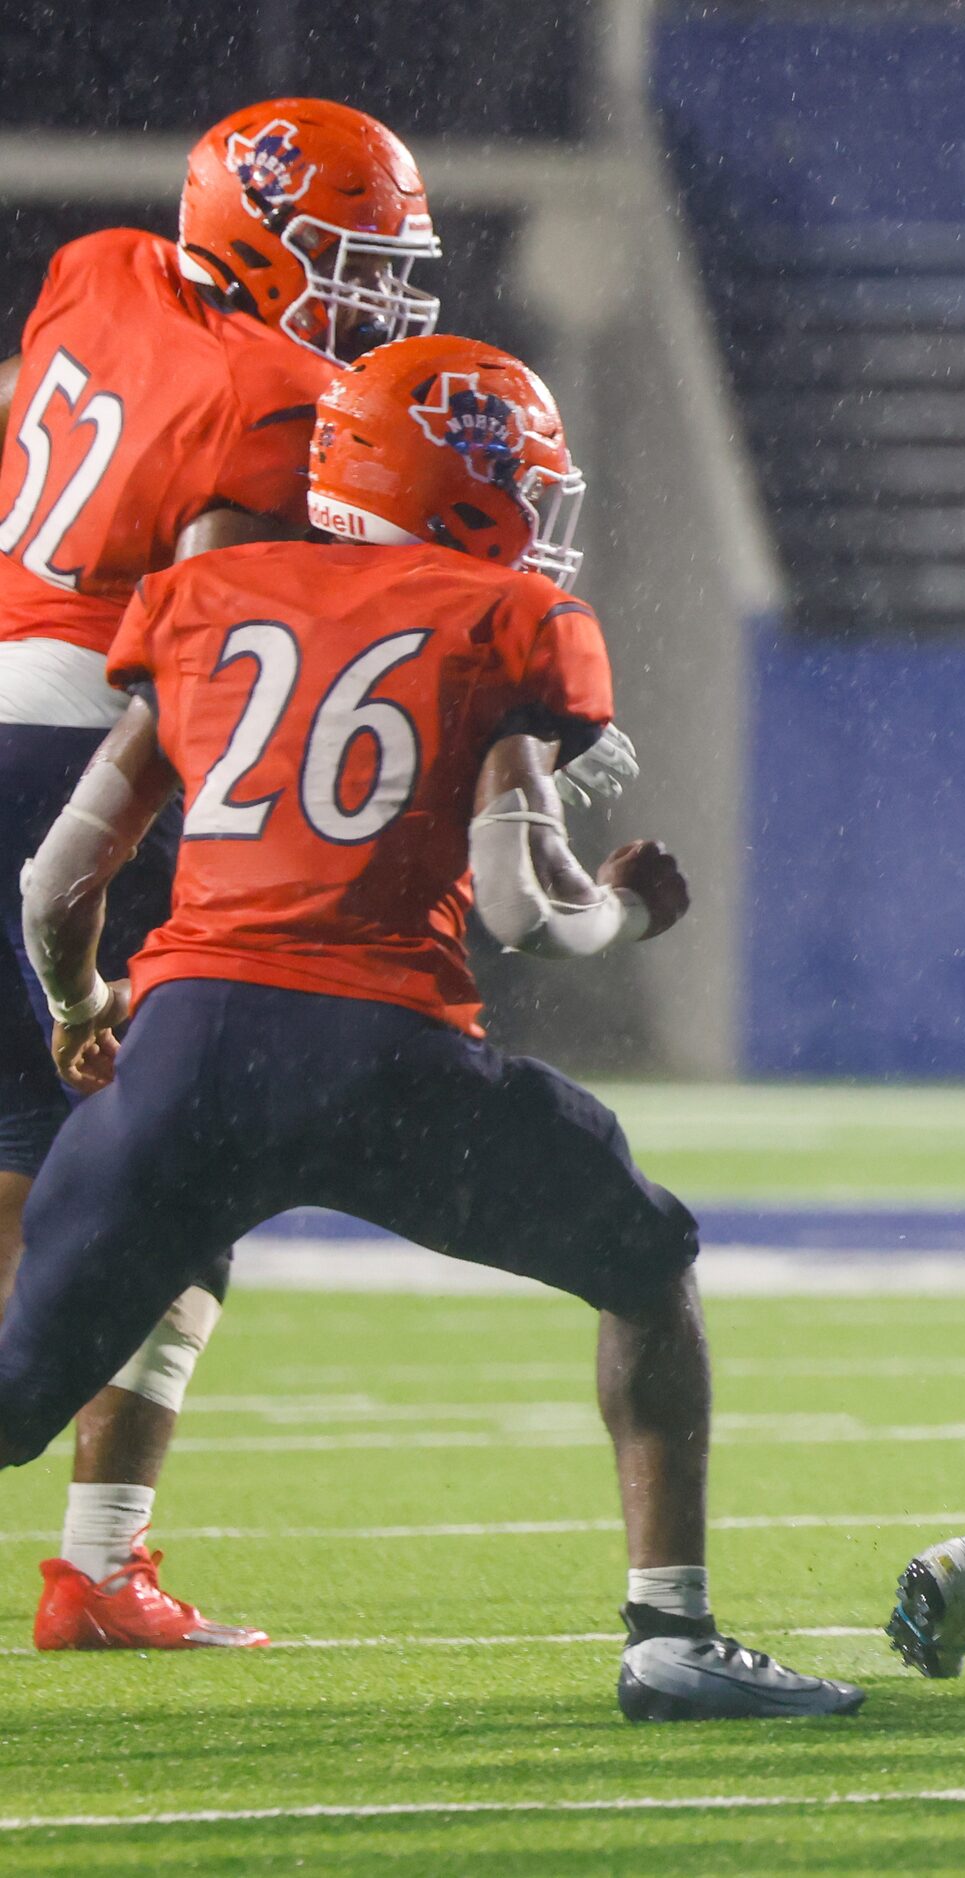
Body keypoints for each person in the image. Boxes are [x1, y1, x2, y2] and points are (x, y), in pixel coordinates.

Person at [0, 334, 852, 1721]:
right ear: (463, 483)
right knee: (647, 1259)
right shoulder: (507, 619)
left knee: (15, 1392)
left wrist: (87, 1008)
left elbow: (54, 881)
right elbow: (526, 910)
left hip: (186, 1050)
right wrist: (629, 912)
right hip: (381, 1056)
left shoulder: (204, 592)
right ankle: (672, 1637)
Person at [0, 97, 454, 1652]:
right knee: (166, 1172)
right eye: (348, 258)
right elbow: (209, 631)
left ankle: (102, 1573)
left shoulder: (97, 266)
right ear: (256, 234)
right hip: (77, 768)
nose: (373, 296)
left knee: (97, 1175)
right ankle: (101, 1564)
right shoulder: (278, 390)